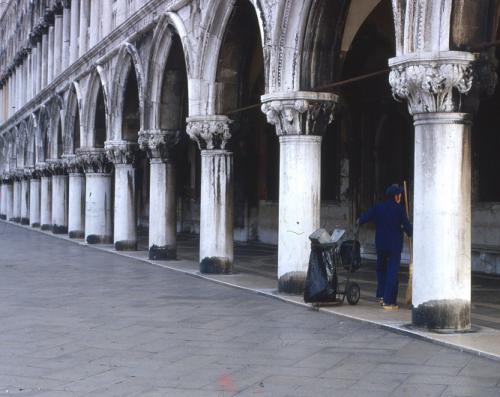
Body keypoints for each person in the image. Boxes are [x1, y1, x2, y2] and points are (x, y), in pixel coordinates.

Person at [357, 184, 412, 310]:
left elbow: (365, 217)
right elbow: (408, 228)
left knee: (381, 270)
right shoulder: (400, 210)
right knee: (392, 272)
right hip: (394, 247)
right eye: (399, 195)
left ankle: (381, 295)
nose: (400, 197)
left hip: (381, 245)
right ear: (396, 196)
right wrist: (409, 231)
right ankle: (388, 301)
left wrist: (359, 221)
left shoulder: (379, 207)